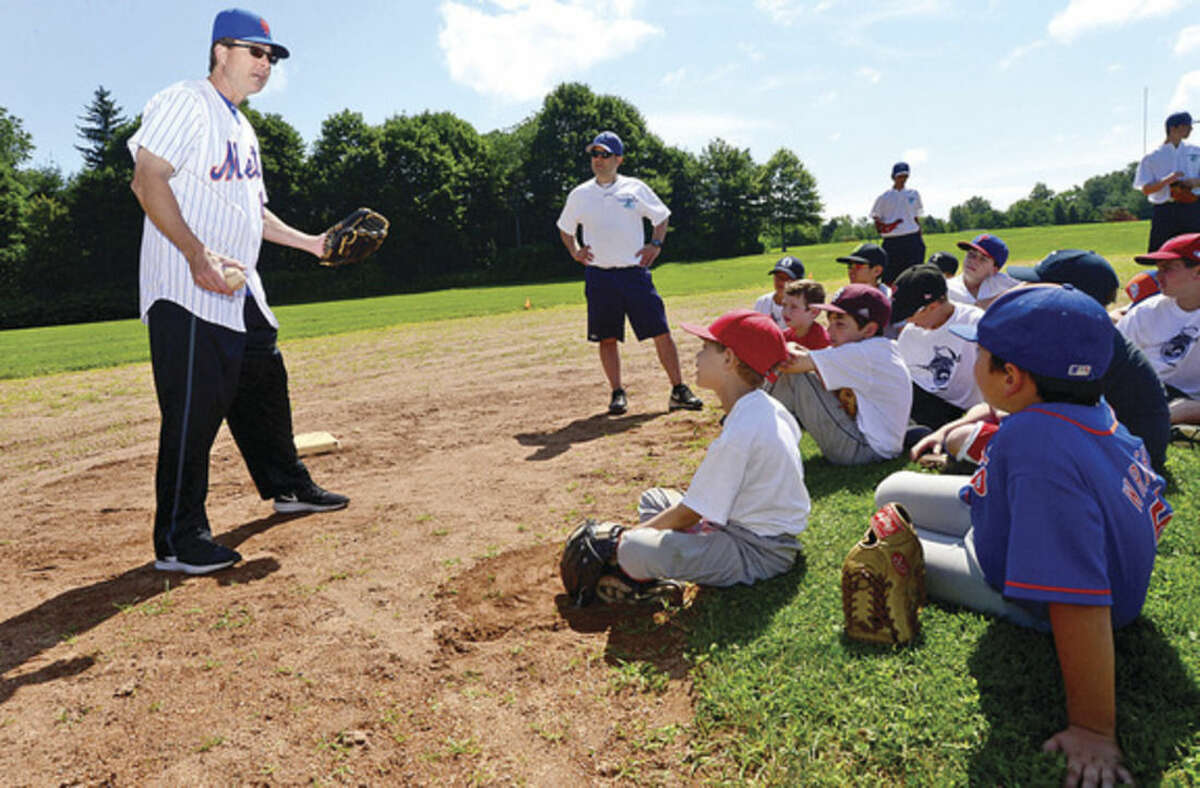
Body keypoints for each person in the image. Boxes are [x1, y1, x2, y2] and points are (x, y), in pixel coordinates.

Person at [875, 285, 1171, 785]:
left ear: (1010, 377)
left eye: (982, 355)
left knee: (890, 542)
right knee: (889, 494)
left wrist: (1093, 729)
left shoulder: (1038, 448)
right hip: (1016, 523)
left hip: (1024, 578)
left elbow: (1080, 598)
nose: (976, 361)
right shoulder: (1081, 403)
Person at [128, 9, 348, 575]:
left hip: (239, 286)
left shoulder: (241, 126)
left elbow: (252, 211)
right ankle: (178, 539)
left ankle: (286, 485)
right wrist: (195, 255)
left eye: (270, 57)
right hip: (187, 286)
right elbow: (146, 179)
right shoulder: (186, 101)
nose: (265, 64)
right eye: (255, 53)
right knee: (194, 411)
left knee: (264, 381)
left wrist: (312, 244)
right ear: (220, 51)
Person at [597, 310, 810, 595]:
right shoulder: (766, 407)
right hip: (740, 528)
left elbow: (689, 514)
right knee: (655, 498)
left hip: (757, 551)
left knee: (633, 549)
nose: (697, 357)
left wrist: (626, 539)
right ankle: (668, 565)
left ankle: (646, 579)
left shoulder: (741, 430)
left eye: (705, 348)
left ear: (729, 360)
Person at [914, 250, 1172, 474]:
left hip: (1117, 459)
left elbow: (1015, 407)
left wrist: (957, 438)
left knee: (963, 440)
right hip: (1113, 446)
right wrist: (947, 429)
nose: (1025, 289)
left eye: (1039, 285)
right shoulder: (1084, 332)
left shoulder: (1067, 346)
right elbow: (1004, 403)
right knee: (963, 433)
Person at [556, 131, 703, 416]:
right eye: (594, 154)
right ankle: (617, 392)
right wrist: (575, 251)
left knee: (660, 330)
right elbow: (565, 228)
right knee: (606, 337)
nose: (598, 160)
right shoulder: (580, 194)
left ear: (619, 159)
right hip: (599, 275)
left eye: (605, 154)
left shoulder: (635, 188)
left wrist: (655, 245)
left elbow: (661, 217)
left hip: (634, 273)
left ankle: (678, 389)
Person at [768, 284, 912, 464]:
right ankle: (754, 434)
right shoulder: (877, 348)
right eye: (830, 322)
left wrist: (788, 347)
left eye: (840, 324)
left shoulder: (862, 354)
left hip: (865, 450)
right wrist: (794, 349)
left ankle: (747, 434)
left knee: (794, 376)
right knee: (802, 372)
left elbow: (792, 364)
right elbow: (808, 359)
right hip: (871, 444)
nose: (829, 331)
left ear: (868, 329)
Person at [1117, 233, 1200, 427]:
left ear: (1198, 272)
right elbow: (1111, 360)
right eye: (1158, 269)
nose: (1158, 277)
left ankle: (1169, 416)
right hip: (1145, 390)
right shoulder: (1146, 312)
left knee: (1182, 409)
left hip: (1188, 400)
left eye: (1167, 269)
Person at [891, 264, 984, 430]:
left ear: (932, 307)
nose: (908, 322)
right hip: (931, 404)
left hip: (973, 409)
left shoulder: (975, 322)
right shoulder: (910, 334)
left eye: (910, 315)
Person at [1133, 111, 1200, 253]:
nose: (1191, 129)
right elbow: (1146, 189)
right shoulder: (1152, 157)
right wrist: (1167, 181)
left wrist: (1195, 182)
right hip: (1165, 211)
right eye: (1186, 126)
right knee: (1162, 254)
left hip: (1192, 208)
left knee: (1195, 254)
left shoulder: (1196, 151)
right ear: (1173, 128)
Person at [871, 162, 926, 284]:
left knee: (914, 276)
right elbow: (876, 218)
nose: (903, 179)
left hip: (912, 238)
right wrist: (884, 228)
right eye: (900, 176)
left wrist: (920, 236)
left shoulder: (914, 194)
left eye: (905, 176)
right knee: (891, 278)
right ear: (893, 177)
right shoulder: (884, 197)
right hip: (892, 242)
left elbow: (916, 216)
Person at [946, 233, 1018, 308]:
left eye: (983, 259)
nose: (973, 261)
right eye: (971, 254)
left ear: (994, 269)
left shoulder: (1001, 281)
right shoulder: (946, 288)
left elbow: (1028, 286)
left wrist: (999, 298)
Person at [753, 256, 807, 330]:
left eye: (788, 279)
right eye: (779, 277)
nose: (782, 282)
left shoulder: (803, 306)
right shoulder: (762, 302)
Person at [780, 279, 831, 350]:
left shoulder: (824, 342)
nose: (786, 311)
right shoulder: (783, 337)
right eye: (784, 305)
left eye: (794, 307)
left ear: (814, 312)